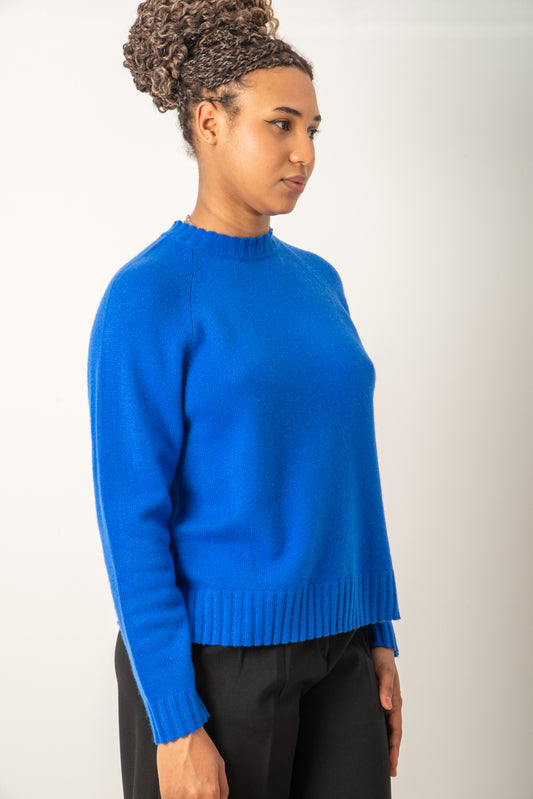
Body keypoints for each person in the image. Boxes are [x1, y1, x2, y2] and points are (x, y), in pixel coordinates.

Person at [87, 1, 403, 798]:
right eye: (281, 125)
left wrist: (378, 635)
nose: (305, 153)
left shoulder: (318, 281)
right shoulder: (149, 295)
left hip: (342, 652)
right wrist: (173, 720)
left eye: (313, 130)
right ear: (209, 121)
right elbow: (131, 518)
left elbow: (347, 470)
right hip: (215, 668)